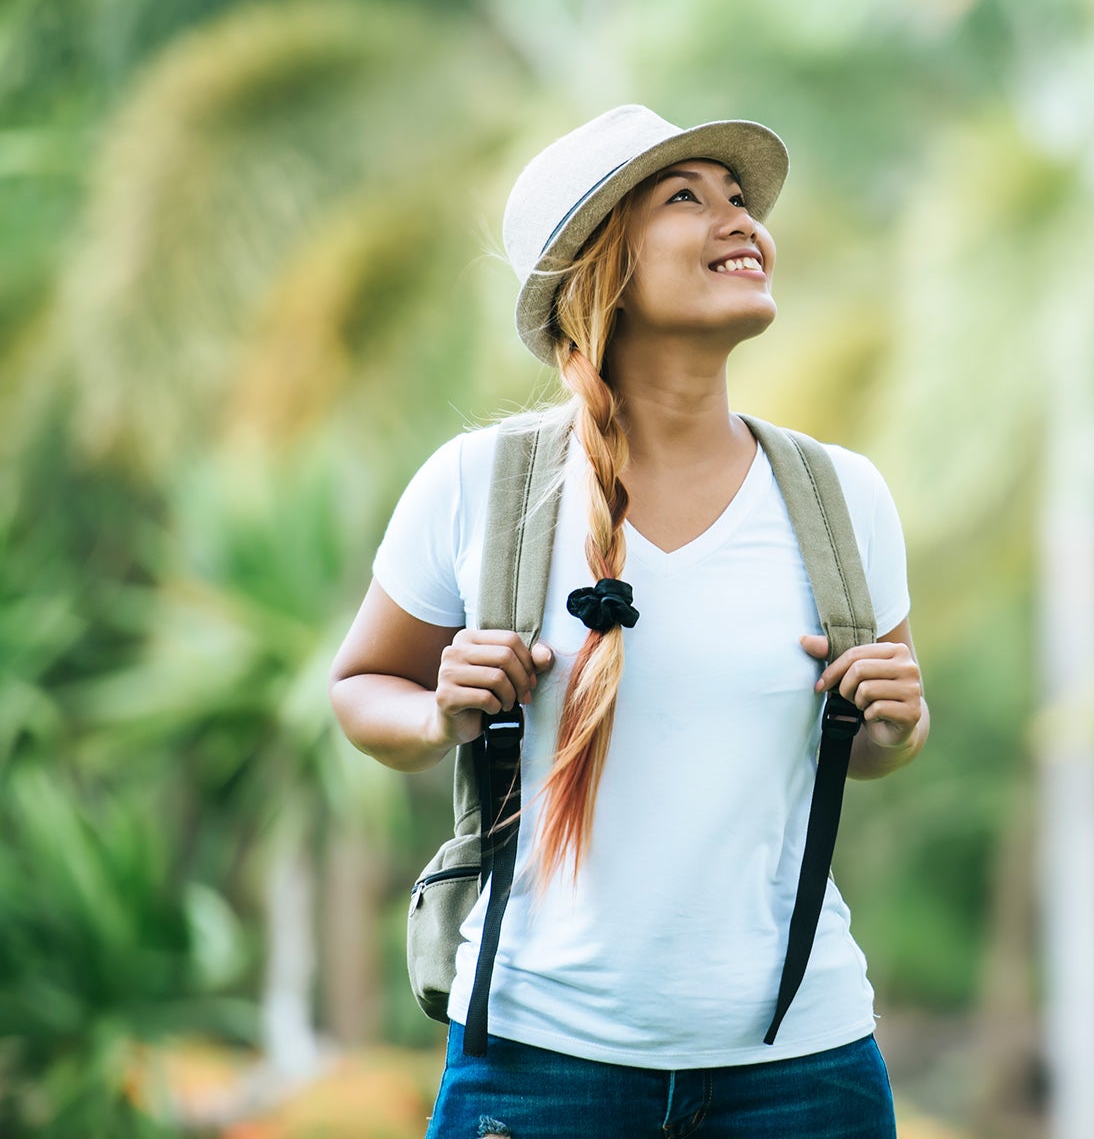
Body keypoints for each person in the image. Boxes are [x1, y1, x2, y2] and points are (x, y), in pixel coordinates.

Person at [328, 105, 927, 1138]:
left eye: (739, 197)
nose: (738, 218)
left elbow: (874, 745)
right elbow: (359, 687)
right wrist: (438, 711)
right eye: (687, 197)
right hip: (536, 1066)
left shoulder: (842, 499)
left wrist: (892, 723)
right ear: (603, 265)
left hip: (803, 1072)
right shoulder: (481, 486)